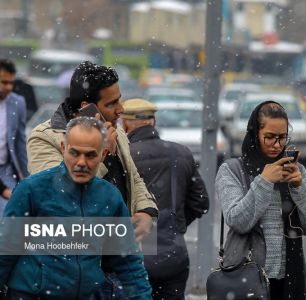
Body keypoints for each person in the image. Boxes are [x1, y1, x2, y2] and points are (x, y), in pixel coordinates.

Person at [26, 61, 158, 299]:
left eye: (120, 99)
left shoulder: (114, 131)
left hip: (119, 261)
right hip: (73, 268)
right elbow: (57, 196)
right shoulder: (45, 138)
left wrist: (147, 211)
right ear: (87, 108)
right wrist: (102, 151)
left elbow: (134, 178)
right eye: (111, 103)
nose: (121, 109)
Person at [0, 117, 152, 299]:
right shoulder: (32, 190)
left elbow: (127, 260)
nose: (81, 162)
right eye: (75, 153)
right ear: (63, 149)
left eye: (90, 155)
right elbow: (6, 250)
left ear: (103, 154)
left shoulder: (109, 196)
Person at [215, 101, 306, 300]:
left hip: (290, 280)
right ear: (255, 134)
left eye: (282, 137)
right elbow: (238, 220)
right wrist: (265, 180)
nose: (277, 145)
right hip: (246, 278)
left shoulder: (296, 171)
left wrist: (298, 188)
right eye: (269, 137)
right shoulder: (232, 170)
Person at [121, 98, 209, 300]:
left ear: (124, 124)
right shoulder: (180, 152)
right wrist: (175, 223)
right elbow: (201, 202)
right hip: (174, 253)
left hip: (135, 254)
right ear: (153, 121)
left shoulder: (123, 156)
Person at [0, 59, 28, 215]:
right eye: (4, 82)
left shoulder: (18, 103)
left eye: (11, 83)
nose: (9, 87)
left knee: (10, 212)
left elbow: (20, 143)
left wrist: (27, 179)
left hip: (6, 170)